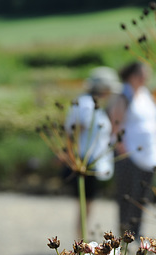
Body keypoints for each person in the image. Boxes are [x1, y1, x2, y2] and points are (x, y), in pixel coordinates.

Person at [108, 61, 156, 238]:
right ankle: (125, 237)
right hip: (130, 155)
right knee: (127, 197)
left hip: (149, 155)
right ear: (132, 76)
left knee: (142, 198)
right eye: (142, 74)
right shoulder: (122, 97)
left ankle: (138, 236)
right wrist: (124, 152)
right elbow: (115, 127)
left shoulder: (147, 95)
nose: (145, 77)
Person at [64, 66, 122, 237]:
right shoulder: (86, 105)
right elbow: (73, 131)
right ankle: (80, 242)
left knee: (88, 203)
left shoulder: (94, 105)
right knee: (85, 202)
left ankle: (81, 239)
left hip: (93, 161)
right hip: (84, 161)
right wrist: (71, 156)